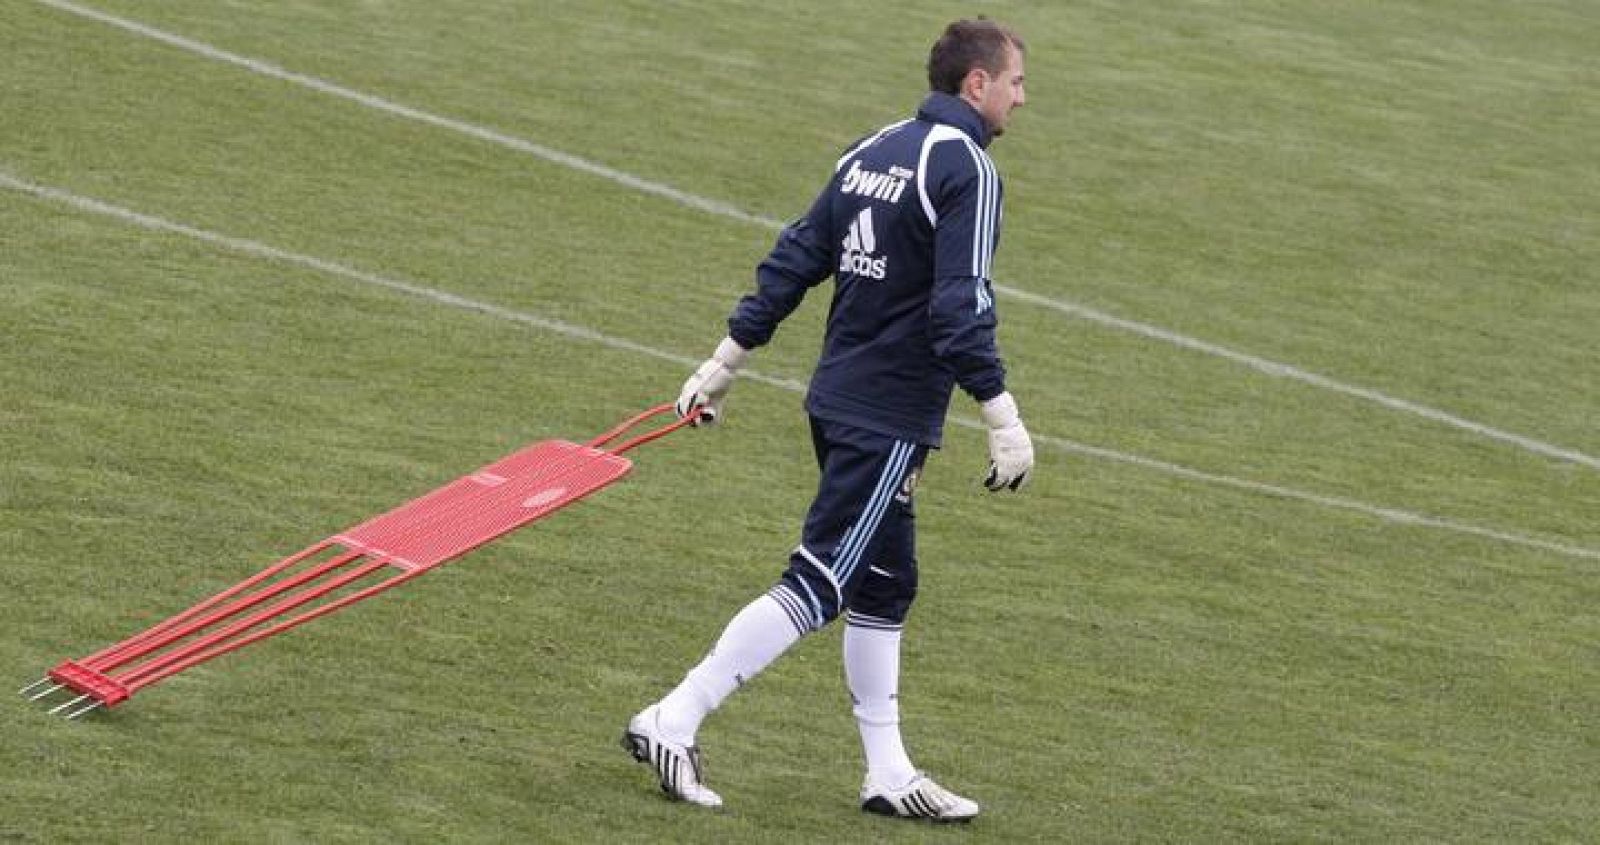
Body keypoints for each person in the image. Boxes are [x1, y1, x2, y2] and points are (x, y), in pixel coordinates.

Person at [622, 18, 1034, 822]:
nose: (1022, 98)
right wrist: (1001, 414)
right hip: (887, 414)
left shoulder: (871, 149)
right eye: (1016, 82)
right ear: (977, 84)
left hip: (837, 398)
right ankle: (674, 715)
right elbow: (960, 310)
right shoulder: (968, 168)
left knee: (886, 581)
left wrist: (725, 361)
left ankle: (888, 771)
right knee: (822, 580)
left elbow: (798, 255)